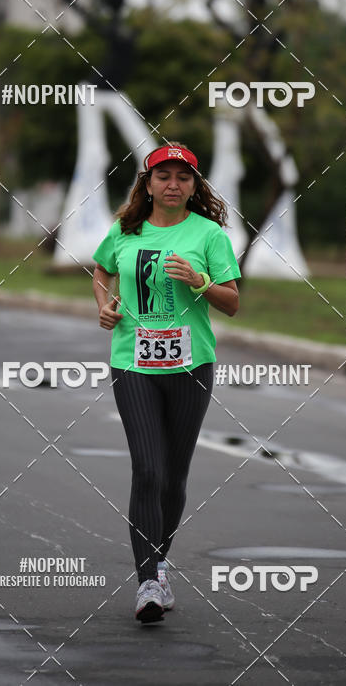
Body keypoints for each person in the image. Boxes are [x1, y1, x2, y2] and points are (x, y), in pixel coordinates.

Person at [92, 143, 241, 623]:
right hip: (133, 364)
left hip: (190, 368)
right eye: (163, 176)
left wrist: (199, 280)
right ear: (147, 183)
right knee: (149, 471)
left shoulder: (210, 234)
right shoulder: (125, 230)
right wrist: (105, 304)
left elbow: (231, 302)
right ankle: (148, 585)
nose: (172, 184)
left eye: (183, 177)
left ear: (195, 186)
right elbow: (101, 270)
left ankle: (158, 561)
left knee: (174, 478)